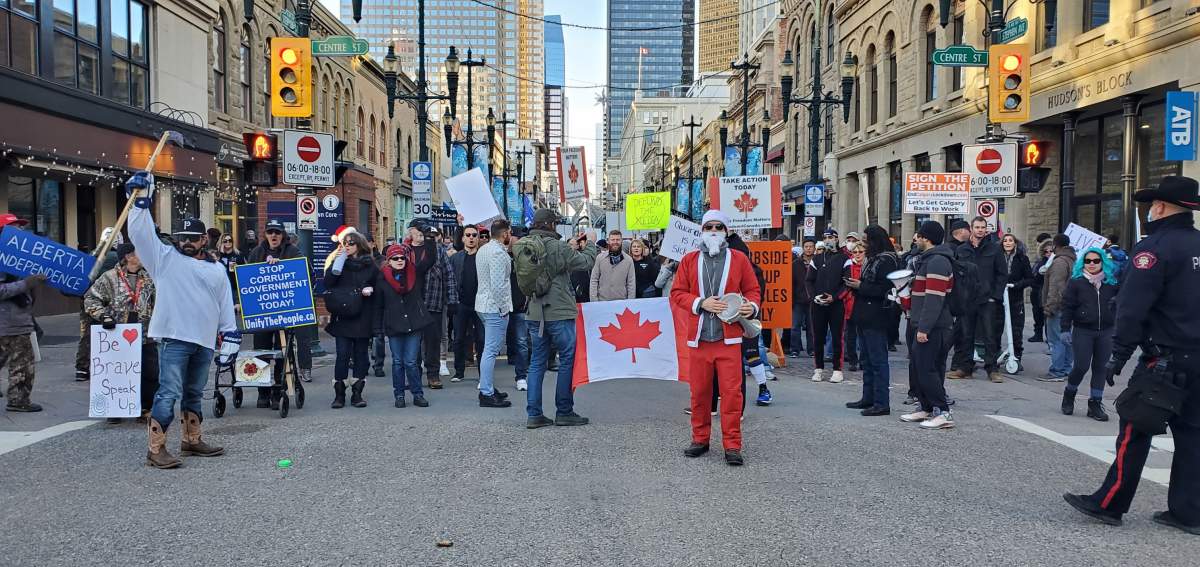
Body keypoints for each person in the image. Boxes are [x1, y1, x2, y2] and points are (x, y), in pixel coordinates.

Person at [1064, 175, 1200, 535]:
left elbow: (1132, 308)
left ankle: (1109, 503)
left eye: (1151, 204)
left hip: (1165, 359)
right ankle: (1188, 512)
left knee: (1135, 430)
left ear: (1159, 208)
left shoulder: (1152, 250)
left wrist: (1119, 354)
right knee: (1192, 436)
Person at [126, 173, 234, 468]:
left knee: (194, 391)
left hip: (204, 340)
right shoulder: (164, 259)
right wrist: (140, 202)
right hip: (174, 338)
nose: (186, 242)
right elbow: (141, 234)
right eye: (182, 237)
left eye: (192, 238)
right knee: (169, 392)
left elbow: (224, 301)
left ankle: (191, 440)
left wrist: (230, 333)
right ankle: (155, 448)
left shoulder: (216, 269)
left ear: (203, 239)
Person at [671, 210, 760, 466]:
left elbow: (753, 290)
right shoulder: (689, 260)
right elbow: (677, 293)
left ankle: (732, 445)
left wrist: (751, 307)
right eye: (708, 226)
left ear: (726, 231)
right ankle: (700, 439)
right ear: (701, 229)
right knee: (699, 393)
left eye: (718, 226)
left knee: (732, 395)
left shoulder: (739, 259)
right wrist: (701, 302)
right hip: (699, 339)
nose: (713, 230)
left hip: (728, 339)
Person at [518, 210, 598, 428]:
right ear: (550, 225)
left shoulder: (525, 243)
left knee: (536, 362)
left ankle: (534, 414)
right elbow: (586, 262)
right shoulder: (557, 246)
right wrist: (590, 242)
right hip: (559, 312)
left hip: (535, 311)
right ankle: (564, 410)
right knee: (567, 359)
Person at [83, 243, 158, 424]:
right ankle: (114, 407)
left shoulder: (148, 278)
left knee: (150, 371)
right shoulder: (109, 278)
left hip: (144, 331)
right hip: (117, 333)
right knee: (118, 371)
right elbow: (91, 298)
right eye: (139, 253)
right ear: (128, 257)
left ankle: (144, 407)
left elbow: (160, 300)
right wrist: (103, 316)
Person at [247, 219, 309, 410]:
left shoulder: (292, 251)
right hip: (262, 313)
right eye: (270, 232)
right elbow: (247, 278)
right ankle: (263, 392)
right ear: (265, 234)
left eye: (277, 232)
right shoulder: (257, 252)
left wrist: (280, 265)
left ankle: (278, 391)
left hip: (284, 312)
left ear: (283, 235)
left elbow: (301, 272)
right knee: (261, 352)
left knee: (283, 351)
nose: (273, 236)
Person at [901, 220, 956, 430]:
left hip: (934, 327)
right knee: (919, 367)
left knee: (927, 369)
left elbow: (935, 299)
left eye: (919, 236)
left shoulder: (937, 262)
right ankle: (926, 408)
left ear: (926, 238)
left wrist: (924, 328)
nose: (916, 239)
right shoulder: (929, 260)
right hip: (925, 323)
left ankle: (943, 411)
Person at [845, 225, 902, 416]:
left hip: (877, 313)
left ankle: (881, 402)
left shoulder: (887, 260)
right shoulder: (873, 259)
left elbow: (885, 290)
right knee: (867, 360)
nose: (864, 243)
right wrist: (856, 286)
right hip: (864, 312)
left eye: (867, 240)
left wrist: (862, 286)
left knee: (878, 360)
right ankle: (868, 397)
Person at [1058, 247, 1119, 421]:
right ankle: (1069, 394)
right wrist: (1064, 329)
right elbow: (1067, 306)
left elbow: (1120, 305)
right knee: (1081, 366)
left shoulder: (1111, 282)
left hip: (1106, 331)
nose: (1091, 264)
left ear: (1102, 262)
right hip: (1083, 330)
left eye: (1095, 261)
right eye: (1087, 261)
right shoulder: (1076, 282)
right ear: (1082, 263)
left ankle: (1095, 403)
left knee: (1101, 367)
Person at [947, 217, 1007, 383]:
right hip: (967, 300)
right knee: (966, 335)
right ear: (971, 229)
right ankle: (965, 368)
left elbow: (1002, 274)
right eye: (977, 227)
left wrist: (996, 296)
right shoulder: (962, 249)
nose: (980, 230)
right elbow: (956, 274)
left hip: (987, 299)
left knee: (990, 335)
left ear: (986, 229)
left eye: (983, 227)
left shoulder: (995, 249)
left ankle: (992, 369)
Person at [325, 231, 379, 409]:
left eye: (351, 243)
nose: (347, 246)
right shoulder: (339, 262)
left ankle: (357, 393)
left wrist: (369, 289)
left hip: (363, 315)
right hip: (343, 315)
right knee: (342, 355)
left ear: (359, 245)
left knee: (361, 356)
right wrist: (337, 262)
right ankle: (339, 393)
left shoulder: (370, 265)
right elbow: (328, 283)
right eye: (345, 243)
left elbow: (378, 287)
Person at [373, 243, 432, 408]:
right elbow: (378, 306)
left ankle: (417, 394)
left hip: (414, 323)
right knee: (398, 362)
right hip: (394, 325)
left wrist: (429, 239)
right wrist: (377, 329)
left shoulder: (414, 274)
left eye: (402, 258)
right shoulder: (382, 279)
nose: (399, 260)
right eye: (395, 258)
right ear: (389, 261)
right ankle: (399, 395)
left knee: (411, 362)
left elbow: (429, 260)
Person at [0, 214, 47, 412]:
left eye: (20, 227)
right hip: (7, 323)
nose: (19, 232)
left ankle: (18, 399)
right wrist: (25, 283)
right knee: (22, 365)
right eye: (13, 228)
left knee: (20, 363)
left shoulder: (19, 260)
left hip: (18, 321)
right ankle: (18, 400)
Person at [473, 219, 515, 408]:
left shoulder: (484, 249)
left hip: (483, 304)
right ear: (505, 233)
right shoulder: (497, 252)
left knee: (489, 350)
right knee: (490, 350)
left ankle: (488, 387)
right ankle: (486, 392)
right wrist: (503, 308)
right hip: (494, 306)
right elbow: (498, 285)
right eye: (510, 232)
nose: (511, 235)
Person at [416, 224, 457, 389]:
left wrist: (452, 300)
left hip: (434, 302)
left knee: (433, 342)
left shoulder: (440, 251)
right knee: (414, 343)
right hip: (414, 304)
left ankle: (433, 375)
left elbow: (449, 275)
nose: (428, 239)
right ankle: (414, 374)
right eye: (426, 235)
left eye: (432, 236)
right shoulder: (408, 251)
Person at [808, 230, 849, 383]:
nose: (827, 240)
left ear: (837, 239)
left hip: (836, 304)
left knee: (837, 336)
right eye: (825, 238)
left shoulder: (845, 259)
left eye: (830, 238)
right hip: (818, 304)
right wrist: (814, 297)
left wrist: (836, 297)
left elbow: (847, 283)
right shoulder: (817, 258)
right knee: (818, 336)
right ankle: (818, 369)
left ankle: (837, 369)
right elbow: (809, 280)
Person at [448, 225, 485, 381]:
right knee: (459, 339)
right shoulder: (456, 258)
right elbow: (450, 280)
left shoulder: (483, 257)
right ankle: (459, 371)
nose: (471, 238)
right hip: (461, 303)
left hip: (481, 304)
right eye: (468, 235)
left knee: (481, 340)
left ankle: (483, 374)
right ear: (462, 238)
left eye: (474, 235)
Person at [1038, 234, 1076, 382]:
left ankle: (1057, 370)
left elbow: (1056, 287)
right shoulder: (1072, 259)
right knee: (1066, 339)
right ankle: (1066, 368)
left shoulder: (1059, 262)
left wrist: (1050, 307)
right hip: (1068, 306)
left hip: (1059, 306)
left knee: (1056, 340)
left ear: (1055, 245)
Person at [1002, 234, 1034, 371]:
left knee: (1016, 330)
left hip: (1015, 299)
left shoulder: (1022, 259)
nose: (1008, 243)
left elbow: (1029, 279)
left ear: (1015, 243)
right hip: (999, 298)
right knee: (995, 329)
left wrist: (1016, 285)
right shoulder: (997, 258)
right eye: (1005, 240)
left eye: (1011, 240)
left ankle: (1016, 357)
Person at [590, 230, 636, 301]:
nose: (615, 242)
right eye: (613, 240)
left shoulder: (628, 260)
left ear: (621, 241)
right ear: (608, 241)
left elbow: (631, 283)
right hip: (602, 301)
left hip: (621, 302)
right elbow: (594, 280)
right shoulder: (600, 258)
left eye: (617, 240)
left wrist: (630, 302)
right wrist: (594, 301)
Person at [840, 242, 865, 372]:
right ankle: (852, 360)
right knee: (850, 335)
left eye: (860, 252)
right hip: (850, 303)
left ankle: (863, 360)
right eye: (855, 252)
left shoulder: (867, 265)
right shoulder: (849, 265)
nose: (858, 254)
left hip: (864, 304)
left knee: (863, 335)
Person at [789, 240, 816, 357]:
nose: (808, 249)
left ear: (814, 248)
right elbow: (791, 283)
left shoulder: (818, 262)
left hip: (813, 299)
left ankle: (812, 350)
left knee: (812, 327)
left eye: (811, 246)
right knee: (795, 326)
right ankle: (795, 349)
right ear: (803, 248)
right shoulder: (795, 264)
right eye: (806, 246)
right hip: (798, 299)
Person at [1028, 232, 1053, 342]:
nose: (1048, 253)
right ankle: (1038, 334)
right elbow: (1034, 277)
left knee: (1048, 316)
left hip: (1048, 292)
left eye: (1050, 251)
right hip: (1037, 291)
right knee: (1037, 314)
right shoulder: (1040, 261)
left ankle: (1049, 337)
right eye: (1045, 251)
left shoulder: (1056, 261)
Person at [215, 234, 244, 304]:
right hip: (221, 287)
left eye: (230, 240)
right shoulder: (217, 255)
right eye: (225, 241)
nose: (228, 242)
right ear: (221, 242)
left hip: (235, 287)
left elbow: (244, 271)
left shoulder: (238, 255)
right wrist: (221, 253)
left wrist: (238, 268)